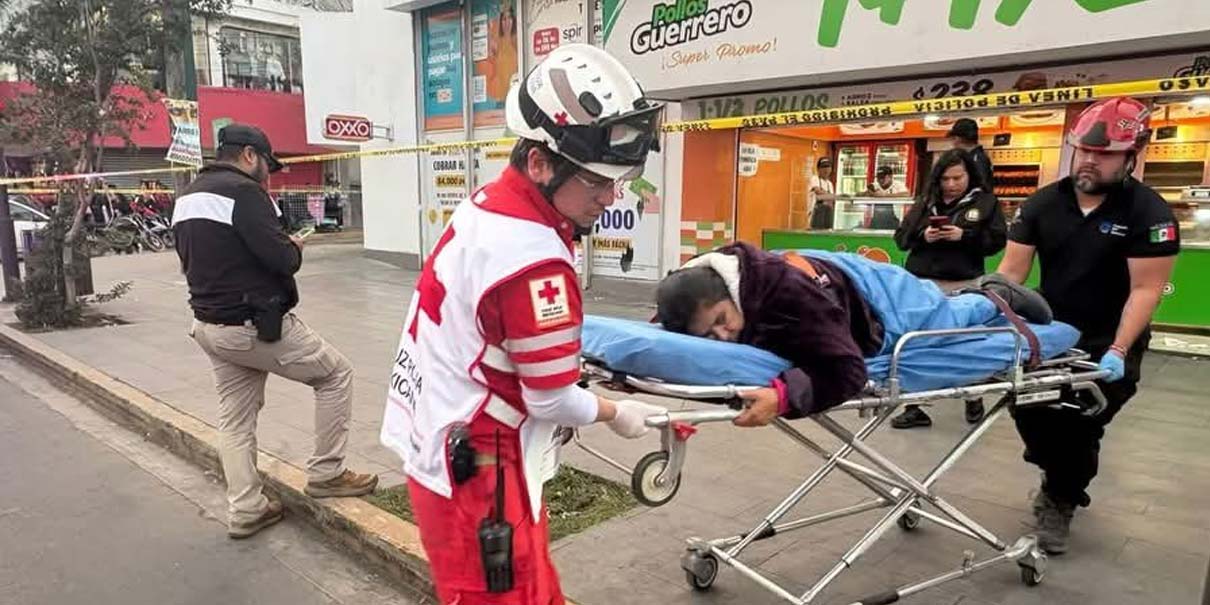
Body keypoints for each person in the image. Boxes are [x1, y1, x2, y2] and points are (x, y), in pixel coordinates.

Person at [380, 44, 665, 605]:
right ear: (540, 162)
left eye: (619, 181)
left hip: (447, 437)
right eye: (596, 182)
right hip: (482, 468)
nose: (610, 198)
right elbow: (552, 400)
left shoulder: (489, 205)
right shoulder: (536, 263)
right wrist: (617, 414)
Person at [172, 124, 378, 540]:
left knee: (235, 419)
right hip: (253, 325)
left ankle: (246, 508)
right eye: (267, 162)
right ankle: (327, 473)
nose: (270, 171)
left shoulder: (187, 196)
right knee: (335, 374)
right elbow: (280, 259)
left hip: (210, 325)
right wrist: (295, 248)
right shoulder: (245, 193)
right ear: (250, 155)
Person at [996, 97, 1178, 555]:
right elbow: (1011, 274)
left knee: (1080, 424)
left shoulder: (1149, 215)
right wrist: (986, 317)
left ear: (1131, 154)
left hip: (1109, 338)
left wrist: (1118, 350)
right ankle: (1057, 468)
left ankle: (1058, 499)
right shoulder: (1042, 204)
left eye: (1104, 153)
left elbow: (1145, 290)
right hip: (1051, 334)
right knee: (1029, 409)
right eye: (1083, 150)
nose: (1090, 160)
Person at [655, 242, 1049, 428]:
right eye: (710, 335)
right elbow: (669, 324)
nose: (724, 336)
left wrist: (783, 395)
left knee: (941, 315)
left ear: (731, 293)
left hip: (880, 301)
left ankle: (992, 296)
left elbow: (847, 371)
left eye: (723, 321)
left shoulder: (784, 298)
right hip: (825, 275)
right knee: (937, 309)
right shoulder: (702, 283)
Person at [890, 149, 1007, 429]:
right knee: (917, 343)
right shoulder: (925, 202)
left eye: (957, 178)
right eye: (946, 179)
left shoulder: (986, 203)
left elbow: (997, 241)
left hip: (964, 283)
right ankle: (915, 405)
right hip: (921, 284)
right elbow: (901, 239)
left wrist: (963, 236)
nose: (951, 184)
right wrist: (924, 236)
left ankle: (973, 395)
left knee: (966, 342)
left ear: (969, 175)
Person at [947, 117, 995, 191]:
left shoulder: (976, 159)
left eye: (953, 139)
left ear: (957, 138)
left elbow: (980, 189)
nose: (953, 143)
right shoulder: (975, 157)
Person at [809, 156, 840, 229]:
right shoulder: (814, 179)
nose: (826, 170)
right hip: (815, 216)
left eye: (828, 167)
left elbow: (831, 201)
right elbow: (818, 191)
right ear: (818, 169)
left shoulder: (830, 184)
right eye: (823, 167)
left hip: (827, 215)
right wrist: (832, 196)